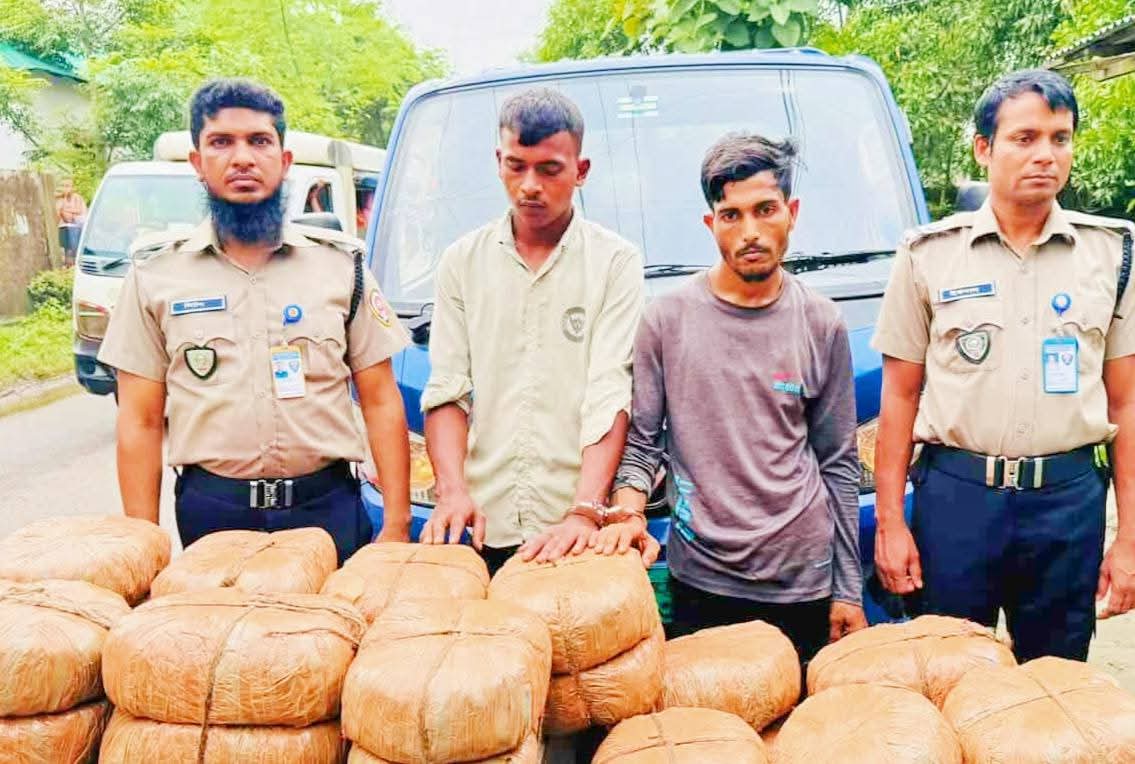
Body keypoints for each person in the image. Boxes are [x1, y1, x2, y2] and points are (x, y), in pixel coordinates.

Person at [872, 69, 1135, 662]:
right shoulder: (929, 255)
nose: (1046, 155)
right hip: (957, 500)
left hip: (1067, 504)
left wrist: (1129, 541)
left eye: (1060, 138)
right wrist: (891, 522)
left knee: (1053, 678)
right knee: (948, 668)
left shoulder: (1112, 254)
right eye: (1025, 138)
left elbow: (1126, 401)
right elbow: (899, 396)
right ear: (983, 148)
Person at [98, 79, 412, 563]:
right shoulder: (154, 276)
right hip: (213, 513)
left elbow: (380, 399)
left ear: (284, 162)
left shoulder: (341, 266)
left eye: (259, 141)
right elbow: (140, 421)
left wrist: (396, 524)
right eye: (221, 142)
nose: (242, 158)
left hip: (328, 508)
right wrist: (145, 549)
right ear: (197, 163)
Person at [609, 133, 866, 661]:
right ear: (711, 223)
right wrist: (629, 515)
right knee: (703, 711)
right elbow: (642, 446)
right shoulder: (666, 321)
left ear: (791, 213)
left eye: (765, 210)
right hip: (702, 576)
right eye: (731, 215)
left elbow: (838, 464)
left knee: (799, 712)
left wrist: (848, 590)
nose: (750, 231)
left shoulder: (821, 323)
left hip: (802, 579)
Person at [418, 87, 656, 574]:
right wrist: (452, 492)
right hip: (481, 523)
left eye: (549, 169)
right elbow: (447, 388)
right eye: (516, 166)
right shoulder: (461, 262)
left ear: (580, 171)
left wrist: (584, 511)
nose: (530, 186)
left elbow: (610, 391)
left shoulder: (615, 262)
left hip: (576, 530)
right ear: (498, 162)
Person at [55, 178, 86, 263]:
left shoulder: (76, 197)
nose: (65, 188)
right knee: (67, 249)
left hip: (79, 222)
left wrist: (65, 210)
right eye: (63, 186)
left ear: (72, 188)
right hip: (68, 224)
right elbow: (59, 212)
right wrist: (64, 198)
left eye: (67, 186)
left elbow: (79, 210)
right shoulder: (61, 199)